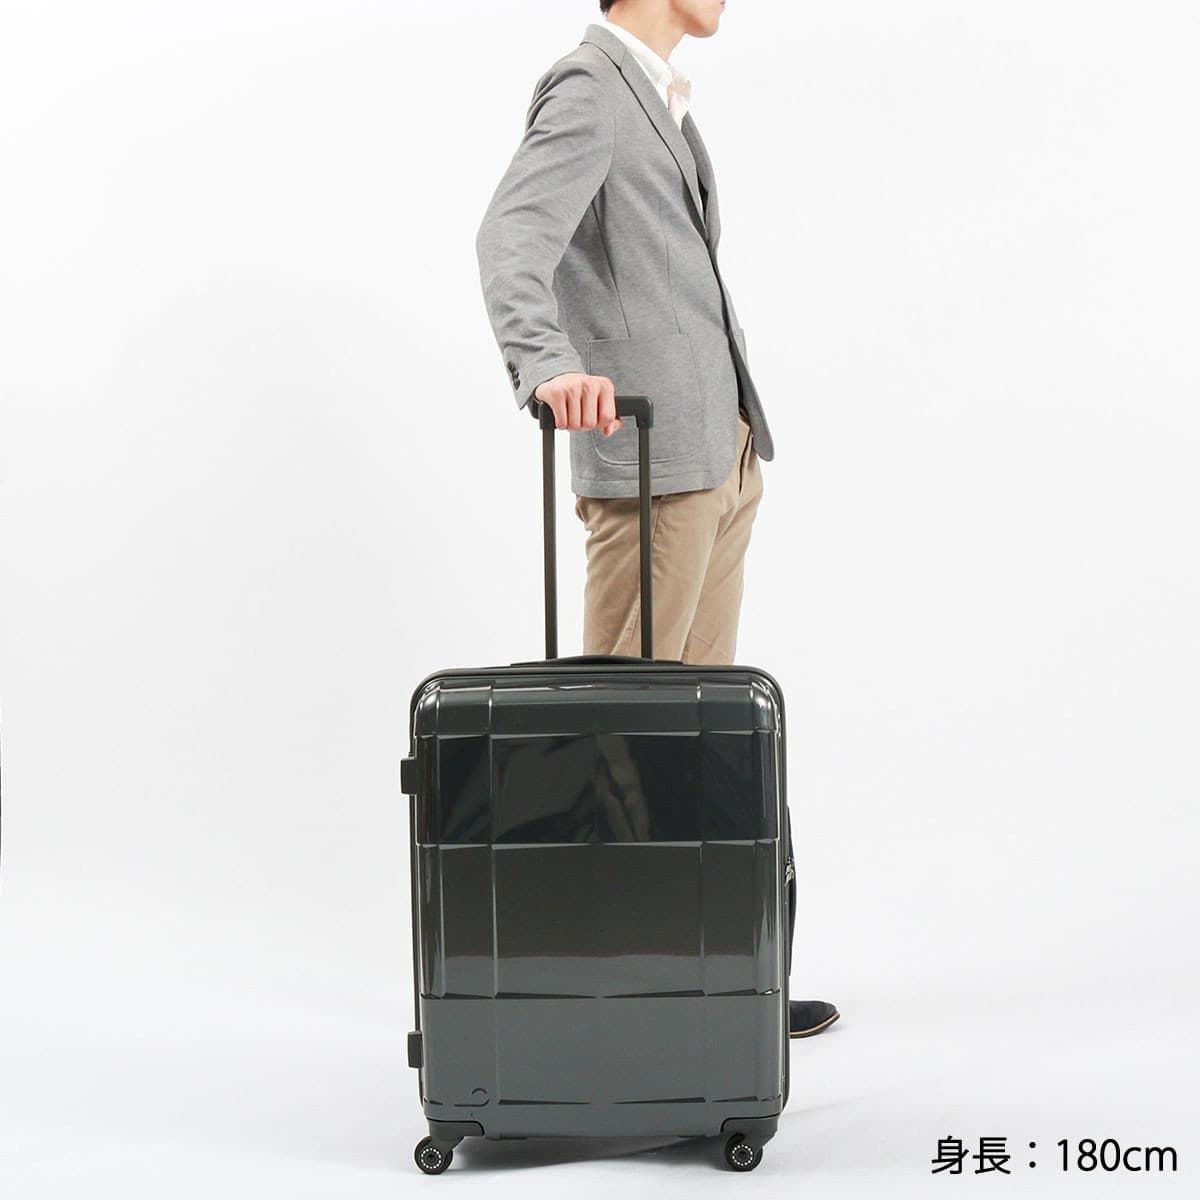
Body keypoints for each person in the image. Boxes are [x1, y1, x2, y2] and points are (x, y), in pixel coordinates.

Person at [475, 0, 839, 1040]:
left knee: (699, 740)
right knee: (619, 739)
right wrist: (546, 366)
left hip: (716, 454)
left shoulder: (661, 98)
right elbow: (509, 237)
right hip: (648, 467)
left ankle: (714, 989)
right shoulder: (591, 85)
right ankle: (600, 1005)